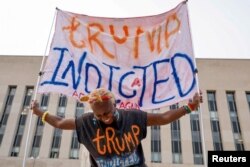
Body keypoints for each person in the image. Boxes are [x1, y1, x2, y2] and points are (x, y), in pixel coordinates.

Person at [31, 88, 202, 167]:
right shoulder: (86, 122)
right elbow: (60, 123)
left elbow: (163, 118)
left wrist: (190, 107)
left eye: (108, 113)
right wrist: (39, 112)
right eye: (99, 115)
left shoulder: (132, 117)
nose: (105, 118)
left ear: (115, 105)